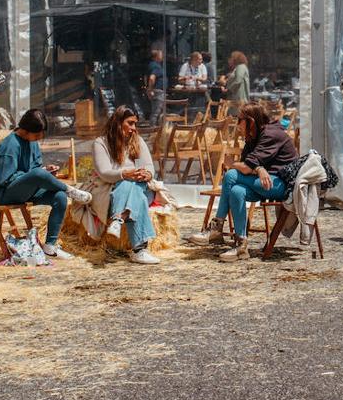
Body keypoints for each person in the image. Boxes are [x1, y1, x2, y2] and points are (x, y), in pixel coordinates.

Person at [188, 103, 297, 260]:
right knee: (236, 190)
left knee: (231, 175)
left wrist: (235, 164)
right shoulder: (254, 134)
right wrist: (258, 169)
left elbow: (244, 167)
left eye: (239, 120)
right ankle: (241, 245)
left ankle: (217, 227)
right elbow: (248, 165)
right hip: (263, 182)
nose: (237, 124)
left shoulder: (271, 134)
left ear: (251, 121)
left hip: (282, 185)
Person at [0, 109, 92, 258]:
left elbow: (35, 169)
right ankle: (70, 190)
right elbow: (3, 178)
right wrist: (36, 176)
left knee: (59, 197)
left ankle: (50, 246)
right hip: (5, 193)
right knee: (40, 175)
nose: (39, 138)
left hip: (26, 190)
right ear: (25, 130)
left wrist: (45, 172)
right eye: (37, 135)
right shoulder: (10, 146)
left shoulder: (31, 141)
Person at [70, 106, 161, 264]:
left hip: (142, 187)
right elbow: (104, 172)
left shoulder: (137, 141)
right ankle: (140, 250)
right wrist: (124, 174)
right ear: (118, 122)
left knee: (135, 186)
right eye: (130, 123)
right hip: (113, 190)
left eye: (135, 124)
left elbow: (149, 166)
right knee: (130, 187)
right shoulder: (101, 143)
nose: (133, 128)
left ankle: (118, 219)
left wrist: (147, 174)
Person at [146, 49, 166, 124]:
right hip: (158, 91)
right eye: (161, 55)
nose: (163, 56)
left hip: (157, 91)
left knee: (158, 111)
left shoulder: (153, 65)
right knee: (156, 112)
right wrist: (150, 89)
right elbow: (151, 78)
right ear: (156, 56)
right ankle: (153, 129)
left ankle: (158, 129)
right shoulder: (156, 66)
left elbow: (146, 77)